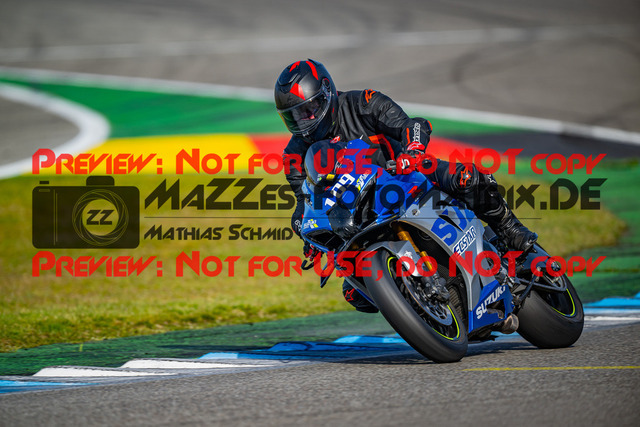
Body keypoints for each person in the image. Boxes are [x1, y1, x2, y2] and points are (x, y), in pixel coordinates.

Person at [275, 59, 537, 313]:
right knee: (354, 292)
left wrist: (412, 151)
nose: (304, 122)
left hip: (406, 178)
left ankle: (510, 229)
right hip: (360, 217)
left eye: (308, 110)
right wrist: (307, 233)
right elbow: (304, 202)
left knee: (466, 178)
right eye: (294, 117)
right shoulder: (293, 155)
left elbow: (411, 125)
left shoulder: (363, 102)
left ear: (327, 94)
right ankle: (421, 309)